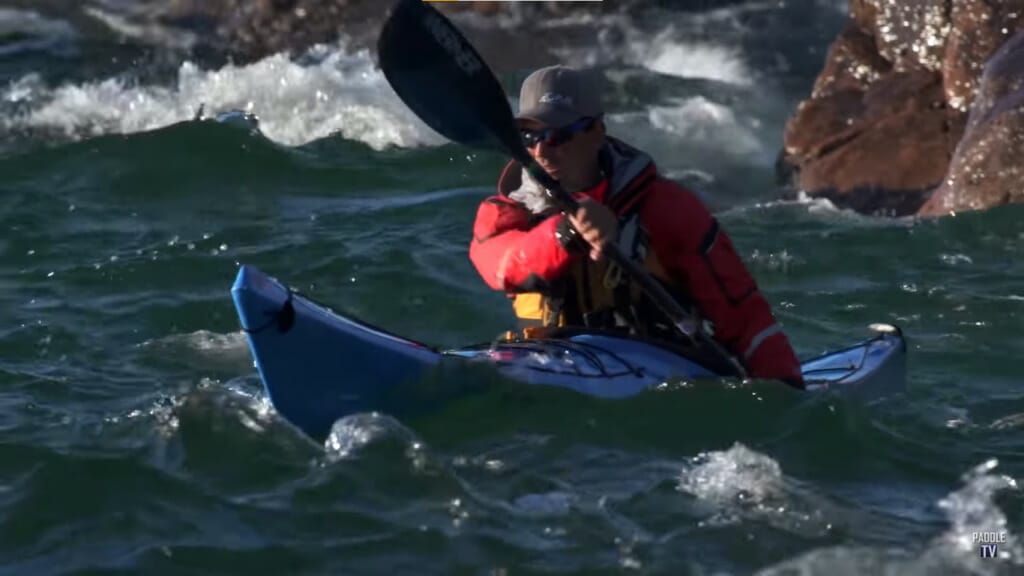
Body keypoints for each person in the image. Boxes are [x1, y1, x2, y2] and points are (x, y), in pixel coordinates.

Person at [468, 65, 803, 386]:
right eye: (530, 135)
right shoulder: (507, 211)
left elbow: (743, 316)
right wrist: (564, 234)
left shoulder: (668, 208)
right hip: (549, 357)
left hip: (658, 366)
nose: (542, 150)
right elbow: (500, 265)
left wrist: (785, 392)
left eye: (559, 136)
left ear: (596, 131)